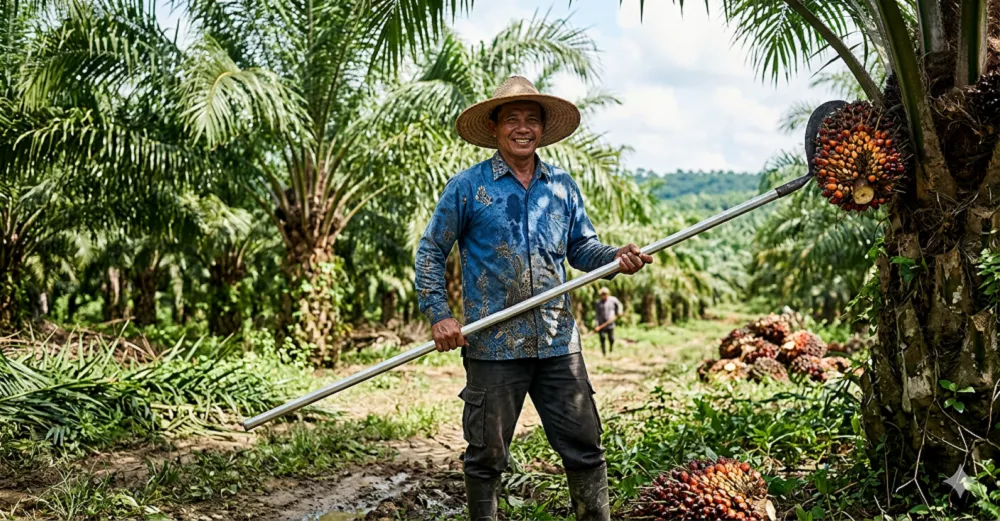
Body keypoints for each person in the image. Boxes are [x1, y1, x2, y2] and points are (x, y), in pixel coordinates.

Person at [414, 75, 652, 521]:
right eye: (512, 120)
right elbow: (431, 251)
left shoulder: (561, 185)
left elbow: (582, 248)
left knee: (585, 446)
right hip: (493, 344)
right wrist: (439, 314)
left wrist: (615, 257)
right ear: (496, 128)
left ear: (542, 129)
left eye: (531, 120)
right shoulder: (468, 188)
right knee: (486, 457)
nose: (522, 128)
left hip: (558, 341)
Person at [594, 287, 623, 356]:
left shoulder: (613, 300)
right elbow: (597, 315)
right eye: (602, 294)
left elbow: (620, 305)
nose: (604, 296)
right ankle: (604, 353)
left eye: (605, 294)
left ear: (608, 294)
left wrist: (619, 312)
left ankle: (611, 348)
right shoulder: (598, 303)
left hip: (610, 323)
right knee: (602, 338)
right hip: (601, 324)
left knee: (611, 338)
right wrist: (596, 325)